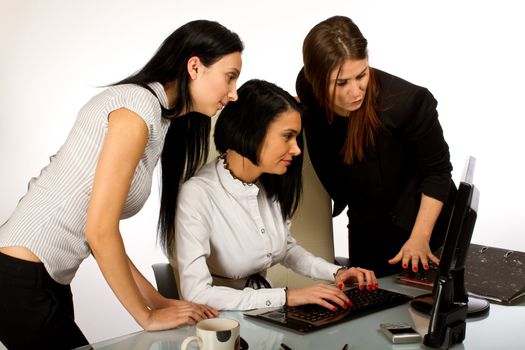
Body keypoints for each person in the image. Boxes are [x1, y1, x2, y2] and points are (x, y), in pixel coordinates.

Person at [0, 19, 243, 349]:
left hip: (43, 278)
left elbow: (100, 231)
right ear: (195, 67)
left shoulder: (158, 117)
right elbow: (99, 232)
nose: (234, 92)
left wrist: (156, 301)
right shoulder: (137, 107)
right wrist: (145, 316)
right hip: (20, 276)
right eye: (230, 76)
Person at [173, 79, 377, 311]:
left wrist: (337, 272)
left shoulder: (268, 181)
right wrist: (286, 297)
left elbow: (284, 249)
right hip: (221, 326)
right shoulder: (198, 194)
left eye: (296, 138)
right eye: (287, 136)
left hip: (268, 316)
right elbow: (197, 293)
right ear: (251, 131)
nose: (297, 149)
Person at [296, 15, 456, 277]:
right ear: (316, 79)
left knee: (418, 311)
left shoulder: (409, 102)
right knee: (368, 303)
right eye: (341, 83)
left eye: (362, 75)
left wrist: (419, 238)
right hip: (365, 222)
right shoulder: (307, 87)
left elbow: (437, 173)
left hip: (419, 226)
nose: (356, 91)